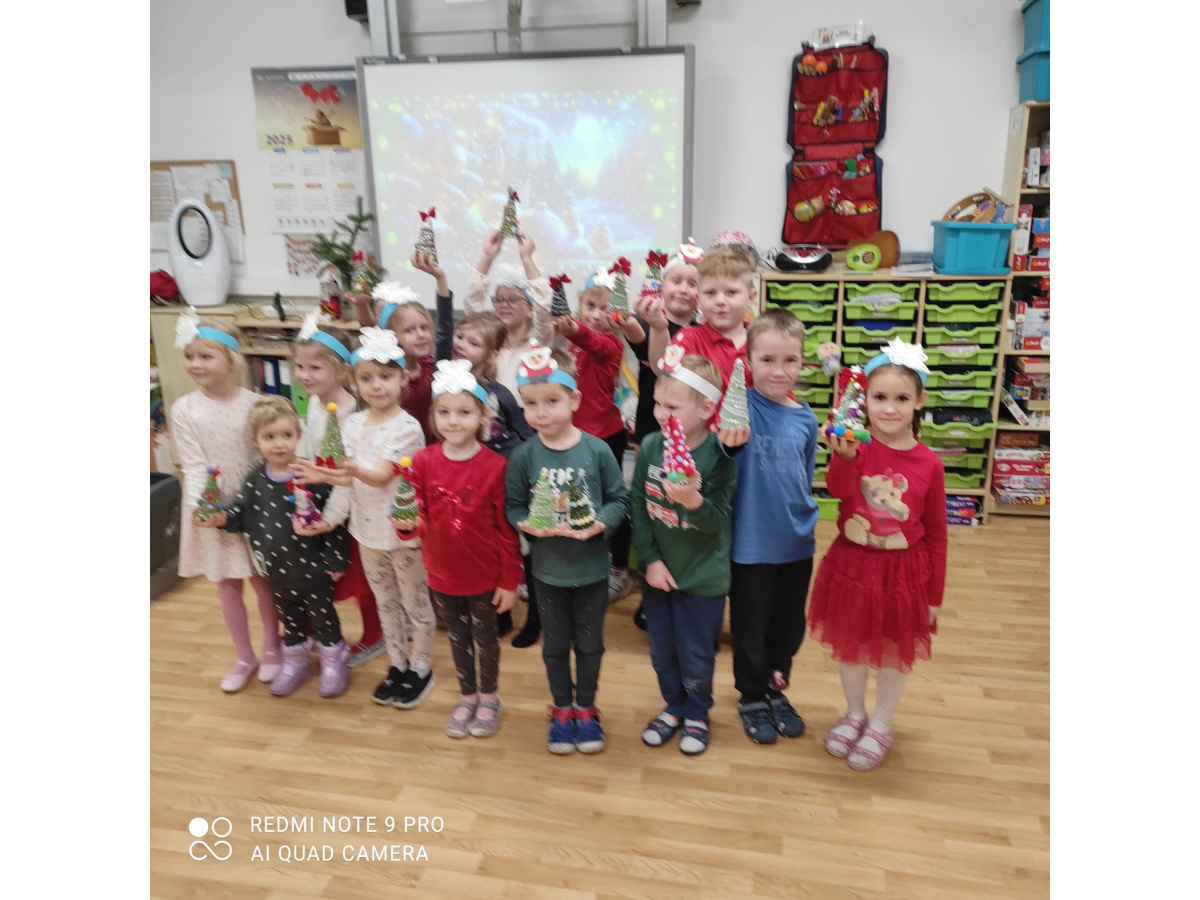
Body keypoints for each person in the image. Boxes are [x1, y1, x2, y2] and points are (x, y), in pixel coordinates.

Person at [807, 340, 948, 772]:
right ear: (864, 399)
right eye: (879, 397)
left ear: (919, 401)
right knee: (852, 647)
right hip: (852, 564)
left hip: (904, 573)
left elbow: (938, 534)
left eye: (901, 399)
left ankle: (882, 723)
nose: (889, 408)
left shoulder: (930, 464)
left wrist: (934, 596)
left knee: (891, 651)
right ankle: (854, 714)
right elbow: (837, 491)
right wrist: (844, 457)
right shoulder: (855, 446)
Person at [294, 327, 438, 710]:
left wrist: (347, 468)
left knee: (414, 604)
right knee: (386, 602)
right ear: (355, 382)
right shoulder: (352, 424)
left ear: (403, 378)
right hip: (366, 534)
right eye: (367, 378)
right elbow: (347, 481)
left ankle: (421, 668)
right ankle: (397, 664)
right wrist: (322, 479)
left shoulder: (407, 427)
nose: (377, 386)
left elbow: (381, 475)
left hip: (402, 535)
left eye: (386, 376)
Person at [505, 346, 630, 755]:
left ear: (574, 400)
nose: (541, 413)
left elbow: (619, 499)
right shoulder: (524, 457)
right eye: (530, 404)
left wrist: (600, 523)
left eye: (552, 401)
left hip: (592, 571)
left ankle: (587, 707)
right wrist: (525, 524)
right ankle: (562, 707)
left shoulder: (597, 451)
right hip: (547, 574)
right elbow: (514, 506)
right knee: (555, 645)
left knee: (590, 644)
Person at [394, 360, 522, 738]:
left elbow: (506, 531)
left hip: (484, 576)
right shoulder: (422, 461)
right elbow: (416, 515)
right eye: (444, 412)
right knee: (457, 637)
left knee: (486, 639)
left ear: (483, 416)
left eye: (464, 412)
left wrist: (509, 581)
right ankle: (467, 696)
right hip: (441, 573)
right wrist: (407, 525)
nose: (453, 421)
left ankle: (490, 696)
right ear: (433, 416)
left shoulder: (496, 466)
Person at [199, 396, 351, 698]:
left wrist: (335, 561)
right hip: (276, 572)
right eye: (270, 437)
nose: (279, 444)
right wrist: (220, 519)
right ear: (254, 440)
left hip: (314, 570)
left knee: (324, 618)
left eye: (286, 435)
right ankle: (295, 662)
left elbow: (333, 521)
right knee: (290, 620)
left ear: (298, 435)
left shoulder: (311, 476)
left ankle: (334, 662)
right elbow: (239, 515)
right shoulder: (254, 481)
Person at [630, 350, 737, 756]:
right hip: (660, 574)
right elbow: (639, 505)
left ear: (706, 409)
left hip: (703, 577)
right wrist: (650, 561)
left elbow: (717, 522)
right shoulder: (651, 446)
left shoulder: (721, 457)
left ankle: (697, 712)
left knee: (696, 653)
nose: (660, 413)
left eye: (672, 407)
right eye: (658, 403)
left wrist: (692, 500)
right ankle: (673, 706)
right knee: (662, 651)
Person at [721, 309, 819, 745]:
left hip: (796, 542)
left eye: (789, 360)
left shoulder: (806, 419)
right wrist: (726, 443)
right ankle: (751, 695)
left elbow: (804, 474)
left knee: (788, 627)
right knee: (750, 627)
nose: (778, 371)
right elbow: (721, 463)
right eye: (767, 360)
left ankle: (776, 689)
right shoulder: (738, 410)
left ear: (802, 362)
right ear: (748, 360)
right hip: (750, 544)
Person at [171, 310, 281, 693]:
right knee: (227, 583)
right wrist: (204, 506)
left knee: (262, 580)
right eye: (190, 356)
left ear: (230, 359)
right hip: (213, 502)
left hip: (255, 503)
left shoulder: (256, 404)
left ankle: (272, 648)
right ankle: (244, 656)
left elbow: (267, 457)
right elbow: (193, 463)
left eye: (206, 356)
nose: (196, 364)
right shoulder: (184, 410)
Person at [293, 312, 384, 668]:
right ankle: (317, 628)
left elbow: (348, 474)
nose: (304, 375)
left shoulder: (352, 415)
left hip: (349, 506)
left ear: (343, 372)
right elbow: (311, 448)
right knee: (320, 572)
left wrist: (332, 517)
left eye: (314, 368)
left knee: (359, 576)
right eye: (300, 367)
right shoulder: (315, 403)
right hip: (321, 499)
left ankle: (375, 634)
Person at [550, 268, 646, 605]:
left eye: (605, 309)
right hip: (573, 436)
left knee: (611, 503)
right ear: (580, 305)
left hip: (606, 437)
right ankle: (580, 562)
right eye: (590, 306)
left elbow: (589, 341)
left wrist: (571, 327)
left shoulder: (611, 345)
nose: (596, 314)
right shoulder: (570, 347)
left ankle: (619, 570)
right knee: (577, 499)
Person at [629, 238, 704, 630]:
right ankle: (652, 589)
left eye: (694, 283)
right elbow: (660, 365)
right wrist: (655, 324)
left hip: (694, 438)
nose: (684, 289)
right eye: (677, 280)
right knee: (655, 511)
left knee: (686, 515)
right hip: (653, 434)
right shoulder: (647, 323)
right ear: (662, 286)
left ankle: (689, 589)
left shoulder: (705, 333)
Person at [648, 244, 757, 393]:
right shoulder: (689, 338)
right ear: (698, 299)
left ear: (750, 297)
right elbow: (663, 371)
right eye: (710, 293)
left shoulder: (761, 339)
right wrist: (659, 328)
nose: (720, 301)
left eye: (731, 292)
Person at [463, 229, 555, 402]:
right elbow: (472, 302)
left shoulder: (538, 340)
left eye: (513, 299)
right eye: (498, 299)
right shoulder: (488, 339)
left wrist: (526, 258)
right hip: (490, 414)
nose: (504, 305)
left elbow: (543, 304)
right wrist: (487, 256)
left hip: (525, 415)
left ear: (530, 309)